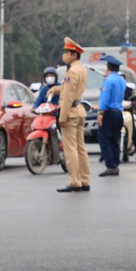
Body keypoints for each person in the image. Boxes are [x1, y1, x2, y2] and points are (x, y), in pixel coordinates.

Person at [52, 37, 90, 192]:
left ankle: (75, 181)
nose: (64, 56)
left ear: (74, 55)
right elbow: (70, 90)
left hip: (71, 113)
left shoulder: (71, 71)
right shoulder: (82, 69)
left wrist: (62, 117)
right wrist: (56, 89)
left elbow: (68, 96)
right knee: (81, 148)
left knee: (70, 149)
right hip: (79, 110)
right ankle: (84, 179)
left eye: (67, 53)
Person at [97, 54, 126, 176]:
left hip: (108, 112)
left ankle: (110, 165)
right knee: (115, 139)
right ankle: (115, 164)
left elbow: (104, 98)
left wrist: (100, 113)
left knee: (104, 139)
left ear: (108, 67)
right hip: (119, 112)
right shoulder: (121, 80)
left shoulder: (108, 81)